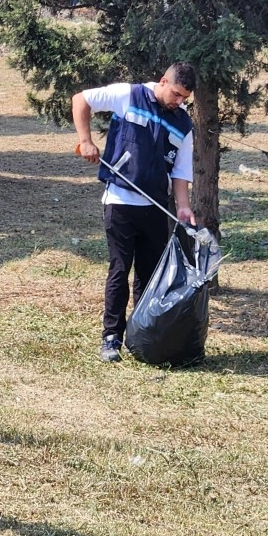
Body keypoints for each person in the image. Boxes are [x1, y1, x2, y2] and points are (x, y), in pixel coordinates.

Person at [71, 63, 196, 363]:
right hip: (120, 202)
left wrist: (182, 205)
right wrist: (86, 140)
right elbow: (81, 99)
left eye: (185, 98)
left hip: (154, 207)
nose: (179, 102)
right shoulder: (128, 95)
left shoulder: (183, 124)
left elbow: (180, 172)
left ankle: (140, 336)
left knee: (148, 276)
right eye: (177, 94)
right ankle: (111, 338)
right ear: (164, 81)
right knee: (119, 270)